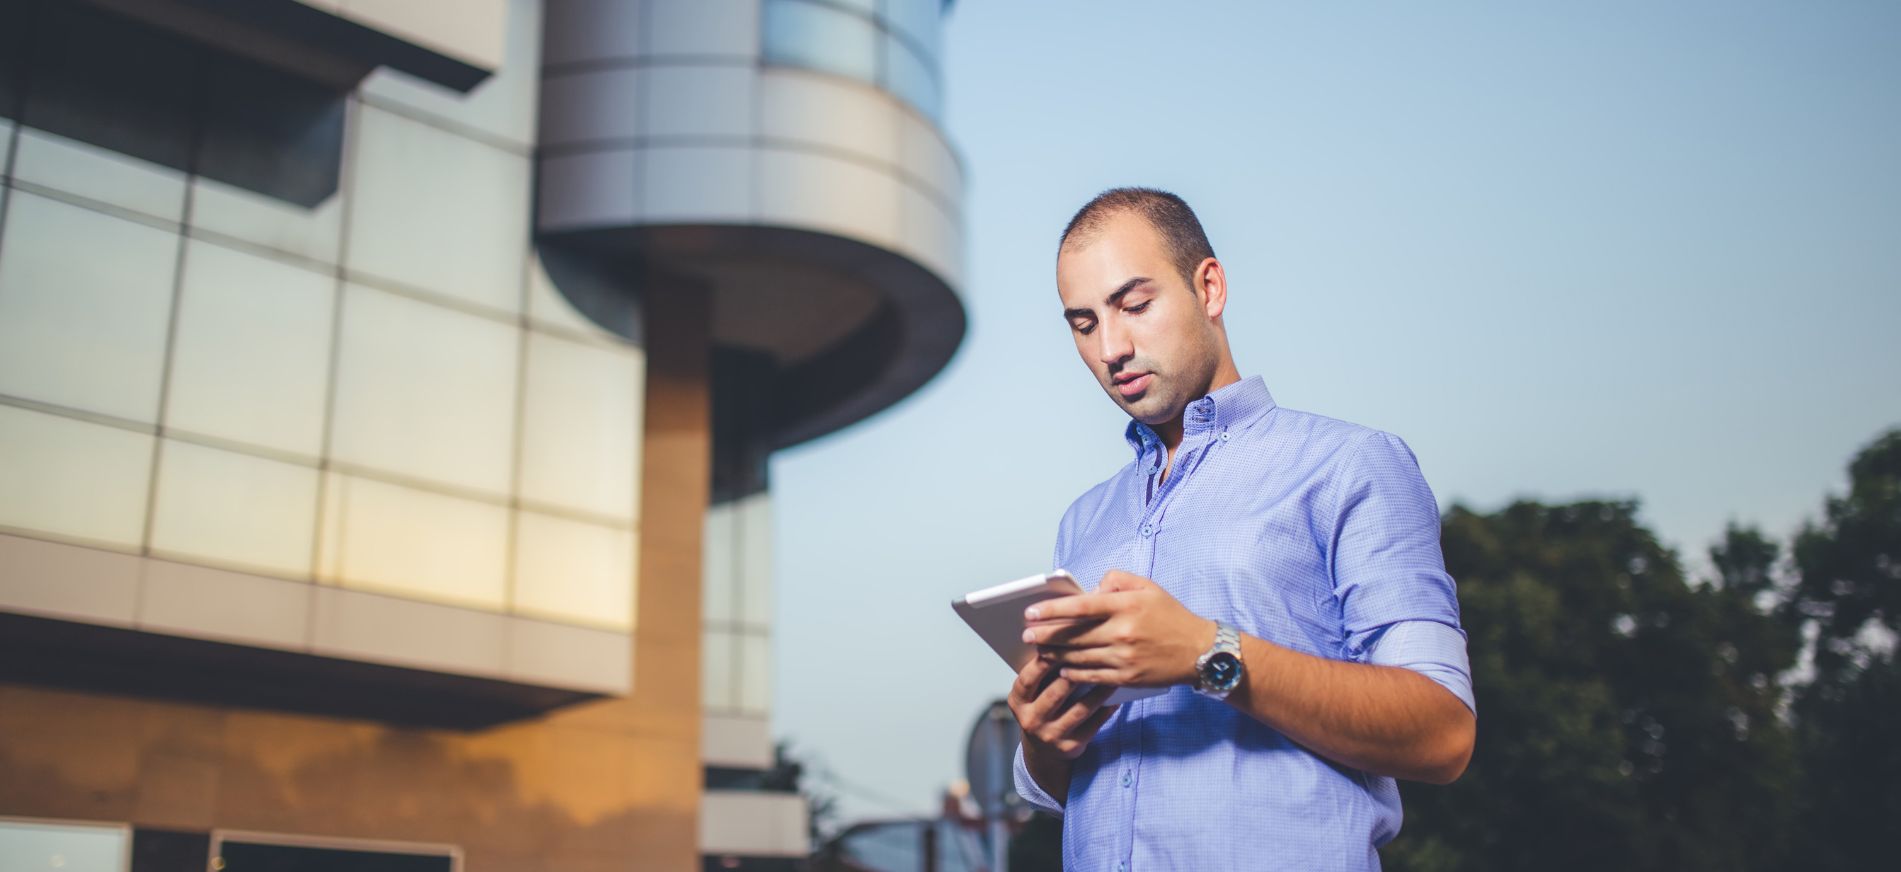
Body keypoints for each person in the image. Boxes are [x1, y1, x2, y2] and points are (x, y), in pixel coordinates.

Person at [1008, 188, 1476, 871]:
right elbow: (1070, 792)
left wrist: (1207, 652)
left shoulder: (1347, 466)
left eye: (1134, 305)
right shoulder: (1084, 522)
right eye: (1083, 323)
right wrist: (1042, 742)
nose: (1111, 347)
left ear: (1209, 286)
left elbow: (1442, 733)